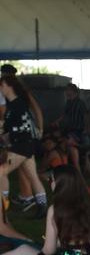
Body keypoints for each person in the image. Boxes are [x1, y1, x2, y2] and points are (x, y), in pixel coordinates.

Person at [0, 164, 90, 255]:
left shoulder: (56, 209)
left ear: (59, 183)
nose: (50, 183)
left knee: (23, 250)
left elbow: (48, 251)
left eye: (51, 180)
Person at [0, 75, 47, 217]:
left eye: (1, 85)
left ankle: (3, 206)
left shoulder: (17, 104)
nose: (0, 88)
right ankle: (42, 207)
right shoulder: (15, 104)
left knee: (1, 172)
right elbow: (8, 126)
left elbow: (13, 126)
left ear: (8, 86)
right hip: (25, 144)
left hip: (22, 145)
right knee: (32, 176)